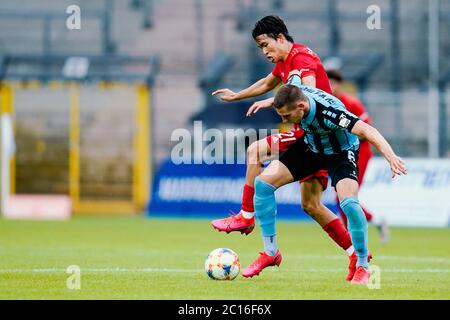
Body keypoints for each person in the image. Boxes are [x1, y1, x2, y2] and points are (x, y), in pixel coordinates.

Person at [211, 15, 366, 281]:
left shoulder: (303, 60)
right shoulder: (285, 60)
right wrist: (237, 95)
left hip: (314, 137)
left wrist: (272, 103)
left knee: (255, 151)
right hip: (313, 140)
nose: (264, 52)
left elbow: (307, 94)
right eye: (260, 48)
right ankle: (354, 253)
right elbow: (267, 83)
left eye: (265, 45)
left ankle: (247, 216)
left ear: (280, 38)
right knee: (312, 205)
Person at [242, 77, 406, 284]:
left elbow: (367, 130)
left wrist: (390, 156)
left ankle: (363, 266)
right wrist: (270, 101)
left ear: (301, 107)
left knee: (349, 204)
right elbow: (291, 82)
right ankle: (270, 252)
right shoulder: (296, 93)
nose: (285, 121)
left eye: (287, 115)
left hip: (340, 153)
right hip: (311, 148)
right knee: (263, 184)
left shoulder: (330, 113)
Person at [327, 69, 390, 244]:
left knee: (345, 197)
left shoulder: (351, 103)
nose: (331, 87)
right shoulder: (325, 103)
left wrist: (347, 132)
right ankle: (373, 222)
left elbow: (367, 130)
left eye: (334, 83)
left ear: (340, 84)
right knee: (343, 197)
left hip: (359, 152)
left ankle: (354, 237)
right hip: (338, 153)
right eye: (328, 82)